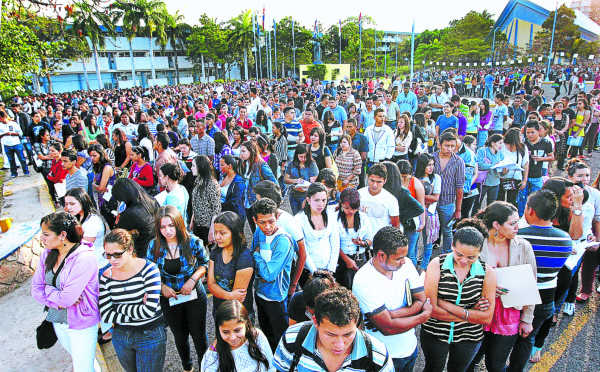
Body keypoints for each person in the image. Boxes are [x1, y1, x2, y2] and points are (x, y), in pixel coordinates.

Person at [458, 202, 536, 372]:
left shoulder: (523, 246)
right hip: (478, 309)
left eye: (518, 222)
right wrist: (488, 287)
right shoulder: (477, 245)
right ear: (496, 225)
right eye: (512, 223)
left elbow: (531, 283)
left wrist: (527, 319)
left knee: (496, 365)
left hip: (508, 314)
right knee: (467, 362)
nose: (518, 227)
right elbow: (460, 277)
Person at [507, 190, 572, 372]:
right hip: (547, 298)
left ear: (530, 211)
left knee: (505, 338)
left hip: (518, 296)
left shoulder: (520, 236)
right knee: (527, 339)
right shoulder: (565, 239)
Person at [353, 226, 433, 372]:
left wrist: (391, 315)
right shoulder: (363, 281)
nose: (404, 262)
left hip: (410, 350)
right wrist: (422, 317)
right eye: (398, 258)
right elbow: (388, 328)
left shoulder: (407, 264)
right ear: (381, 255)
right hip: (383, 357)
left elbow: (421, 301)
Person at [31, 212, 102, 372]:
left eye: (46, 234)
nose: (42, 239)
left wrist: (49, 291)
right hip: (58, 320)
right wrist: (54, 294)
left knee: (82, 368)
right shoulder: (47, 254)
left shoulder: (84, 258)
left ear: (62, 235)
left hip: (81, 324)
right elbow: (36, 290)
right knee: (84, 364)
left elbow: (67, 300)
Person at [421, 224, 497, 372]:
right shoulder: (437, 264)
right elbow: (431, 310)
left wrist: (445, 304)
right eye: (459, 254)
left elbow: (486, 318)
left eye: (471, 257)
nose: (463, 261)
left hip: (469, 337)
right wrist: (470, 314)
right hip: (435, 333)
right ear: (452, 246)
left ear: (480, 252)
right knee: (432, 368)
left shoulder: (487, 272)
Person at [273, 286, 394, 372]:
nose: (339, 345)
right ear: (315, 322)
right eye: (331, 334)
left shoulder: (377, 356)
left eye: (347, 334)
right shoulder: (292, 339)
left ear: (356, 323)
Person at [148, 206, 210, 372]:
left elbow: (204, 263)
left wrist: (192, 280)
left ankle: (205, 367)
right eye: (162, 227)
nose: (167, 231)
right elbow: (149, 273)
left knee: (199, 336)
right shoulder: (153, 246)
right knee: (179, 336)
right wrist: (162, 287)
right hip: (169, 299)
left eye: (171, 226)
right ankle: (187, 367)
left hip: (194, 296)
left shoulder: (193, 241)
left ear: (178, 224)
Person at [99, 229, 166, 372]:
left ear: (129, 250)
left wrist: (117, 307)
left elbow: (148, 312)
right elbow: (105, 314)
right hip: (121, 336)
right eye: (108, 255)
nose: (112, 260)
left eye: (117, 254)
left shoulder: (149, 269)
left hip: (150, 335)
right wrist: (137, 309)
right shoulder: (106, 276)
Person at [252, 198, 296, 350]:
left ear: (277, 217)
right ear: (255, 220)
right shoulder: (259, 232)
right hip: (260, 293)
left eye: (271, 221)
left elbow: (269, 275)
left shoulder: (283, 241)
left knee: (280, 339)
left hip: (276, 297)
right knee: (266, 336)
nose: (267, 227)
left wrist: (257, 257)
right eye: (262, 222)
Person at [253, 180, 307, 297]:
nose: (255, 204)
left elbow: (302, 255)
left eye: (258, 200)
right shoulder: (260, 225)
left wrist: (293, 284)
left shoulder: (288, 223)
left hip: (283, 284)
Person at [201, 300, 275, 372]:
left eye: (237, 330)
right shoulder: (212, 355)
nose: (233, 338)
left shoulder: (257, 336)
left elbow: (271, 367)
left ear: (246, 324)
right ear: (218, 329)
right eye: (225, 332)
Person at [208, 211, 255, 321]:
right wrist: (229, 295)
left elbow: (237, 299)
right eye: (215, 232)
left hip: (238, 315)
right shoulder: (215, 252)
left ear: (235, 233)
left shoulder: (244, 259)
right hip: (218, 310)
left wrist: (222, 293)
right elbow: (211, 284)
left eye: (222, 233)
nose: (217, 237)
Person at [111, 178, 160, 257]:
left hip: (142, 249)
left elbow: (117, 233)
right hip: (155, 244)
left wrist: (118, 219)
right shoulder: (151, 200)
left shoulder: (131, 213)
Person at [434, 132, 466, 254]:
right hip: (432, 201)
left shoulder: (458, 162)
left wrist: (458, 209)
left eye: (453, 146)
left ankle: (447, 253)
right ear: (440, 144)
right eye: (447, 145)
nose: (450, 149)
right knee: (430, 229)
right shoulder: (432, 158)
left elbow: (460, 186)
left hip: (448, 201)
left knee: (447, 230)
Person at [517, 121, 554, 216]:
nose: (530, 135)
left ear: (538, 131)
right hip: (523, 176)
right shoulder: (523, 142)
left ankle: (533, 216)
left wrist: (541, 158)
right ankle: (521, 216)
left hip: (537, 175)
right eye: (527, 132)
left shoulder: (546, 143)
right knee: (521, 198)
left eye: (532, 132)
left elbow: (551, 157)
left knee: (536, 199)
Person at [241, 140, 277, 231]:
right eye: (241, 151)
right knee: (254, 230)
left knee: (261, 230)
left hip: (258, 203)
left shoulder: (261, 165)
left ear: (251, 151)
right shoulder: (244, 164)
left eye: (244, 151)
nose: (241, 154)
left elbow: (275, 184)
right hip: (247, 202)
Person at [415, 153, 441, 271]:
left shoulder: (436, 178)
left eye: (432, 165)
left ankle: (424, 266)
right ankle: (414, 265)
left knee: (428, 242)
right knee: (414, 241)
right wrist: (425, 198)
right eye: (428, 165)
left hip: (430, 213)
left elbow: (435, 197)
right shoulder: (415, 179)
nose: (431, 168)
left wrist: (420, 197)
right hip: (416, 213)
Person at [358, 163, 400, 234]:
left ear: (385, 181)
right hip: (360, 238)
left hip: (380, 240)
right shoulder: (359, 194)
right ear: (367, 177)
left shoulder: (391, 200)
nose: (374, 185)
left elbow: (395, 226)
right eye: (372, 180)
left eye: (379, 182)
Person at [190, 155, 221, 244]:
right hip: (198, 223)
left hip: (207, 225)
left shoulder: (211, 184)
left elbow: (216, 209)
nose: (191, 168)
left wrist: (212, 230)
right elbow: (195, 201)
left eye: (193, 166)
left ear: (200, 167)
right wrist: (193, 219)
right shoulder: (198, 180)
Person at [472, 134, 505, 214]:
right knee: (477, 203)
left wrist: (504, 170)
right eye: (499, 143)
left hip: (495, 182)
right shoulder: (482, 151)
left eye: (502, 143)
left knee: (491, 204)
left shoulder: (501, 155)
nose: (501, 145)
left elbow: (502, 171)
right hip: (483, 182)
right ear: (493, 143)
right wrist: (494, 165)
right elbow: (479, 165)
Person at [285, 144, 319, 215]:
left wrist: (304, 187)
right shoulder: (292, 164)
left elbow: (312, 183)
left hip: (306, 196)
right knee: (296, 216)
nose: (303, 159)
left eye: (305, 157)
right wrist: (295, 181)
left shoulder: (312, 165)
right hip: (294, 195)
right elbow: (286, 179)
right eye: (301, 157)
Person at [498, 128, 529, 208]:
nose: (522, 137)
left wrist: (525, 179)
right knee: (499, 201)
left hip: (515, 178)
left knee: (512, 202)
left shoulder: (523, 147)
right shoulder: (502, 146)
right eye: (520, 135)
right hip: (501, 177)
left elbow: (525, 163)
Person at [0, 110, 30, 178]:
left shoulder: (13, 124)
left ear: (4, 117)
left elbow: (20, 133)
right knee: (11, 160)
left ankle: (26, 171)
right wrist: (5, 134)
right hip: (6, 144)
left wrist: (11, 133)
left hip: (16, 143)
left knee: (22, 159)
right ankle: (13, 173)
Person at [89, 144, 116, 210]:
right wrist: (95, 185)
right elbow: (95, 181)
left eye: (94, 156)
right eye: (90, 156)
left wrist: (94, 185)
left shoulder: (107, 167)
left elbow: (101, 188)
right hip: (101, 198)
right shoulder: (98, 166)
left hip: (109, 199)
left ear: (101, 155)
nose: (92, 158)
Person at [219, 154, 247, 221]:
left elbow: (234, 201)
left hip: (234, 217)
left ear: (229, 166)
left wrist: (219, 206)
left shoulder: (239, 181)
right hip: (223, 214)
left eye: (222, 165)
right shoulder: (223, 177)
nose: (220, 167)